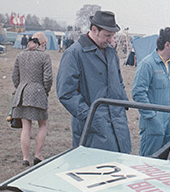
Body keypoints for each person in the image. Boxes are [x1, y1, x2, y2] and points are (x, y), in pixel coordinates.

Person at [56, 9, 131, 152]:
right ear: (94, 30)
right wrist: (90, 117)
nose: (111, 39)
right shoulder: (74, 54)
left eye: (113, 35)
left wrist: (122, 104)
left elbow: (119, 82)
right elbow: (66, 93)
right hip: (92, 129)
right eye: (107, 35)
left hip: (118, 125)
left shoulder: (111, 53)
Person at [132, 26, 170, 157]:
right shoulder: (147, 64)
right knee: (149, 161)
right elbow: (138, 93)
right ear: (167, 45)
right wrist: (152, 117)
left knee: (167, 161)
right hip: (153, 127)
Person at [11, 32, 53, 166]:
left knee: (26, 127)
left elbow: (14, 77)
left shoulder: (20, 55)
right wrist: (45, 90)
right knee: (43, 125)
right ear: (43, 43)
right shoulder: (45, 56)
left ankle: (25, 158)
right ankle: (38, 155)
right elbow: (48, 78)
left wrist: (20, 87)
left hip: (22, 94)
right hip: (38, 92)